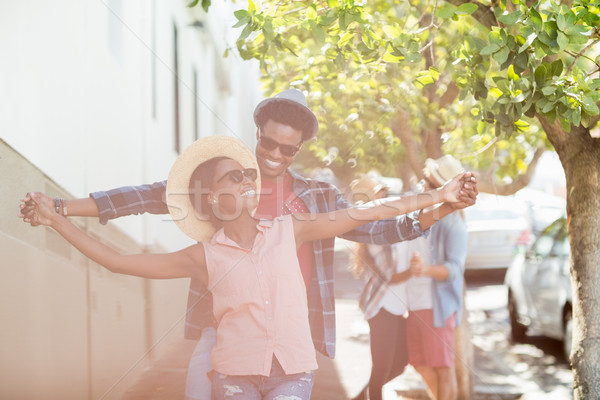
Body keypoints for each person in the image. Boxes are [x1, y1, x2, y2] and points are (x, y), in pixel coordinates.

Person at [20, 89, 478, 400]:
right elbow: (138, 200)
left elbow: (372, 222)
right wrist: (60, 208)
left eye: (288, 150)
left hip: (288, 333)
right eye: (269, 144)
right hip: (225, 326)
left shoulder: (310, 203)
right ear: (257, 134)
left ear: (298, 150)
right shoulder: (223, 174)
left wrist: (437, 205)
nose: (275, 157)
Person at [403, 155, 469, 400]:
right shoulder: (420, 213)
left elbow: (455, 270)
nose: (424, 186)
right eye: (424, 180)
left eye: (429, 183)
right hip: (416, 303)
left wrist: (425, 270)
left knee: (443, 367)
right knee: (418, 362)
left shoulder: (454, 223)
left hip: (437, 307)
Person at [349, 175, 413, 400]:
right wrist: (415, 270)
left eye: (384, 193)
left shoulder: (385, 222)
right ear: (368, 199)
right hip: (381, 306)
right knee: (382, 368)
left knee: (400, 363)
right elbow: (390, 276)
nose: (384, 197)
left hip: (394, 306)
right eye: (379, 194)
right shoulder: (371, 230)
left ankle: (359, 398)